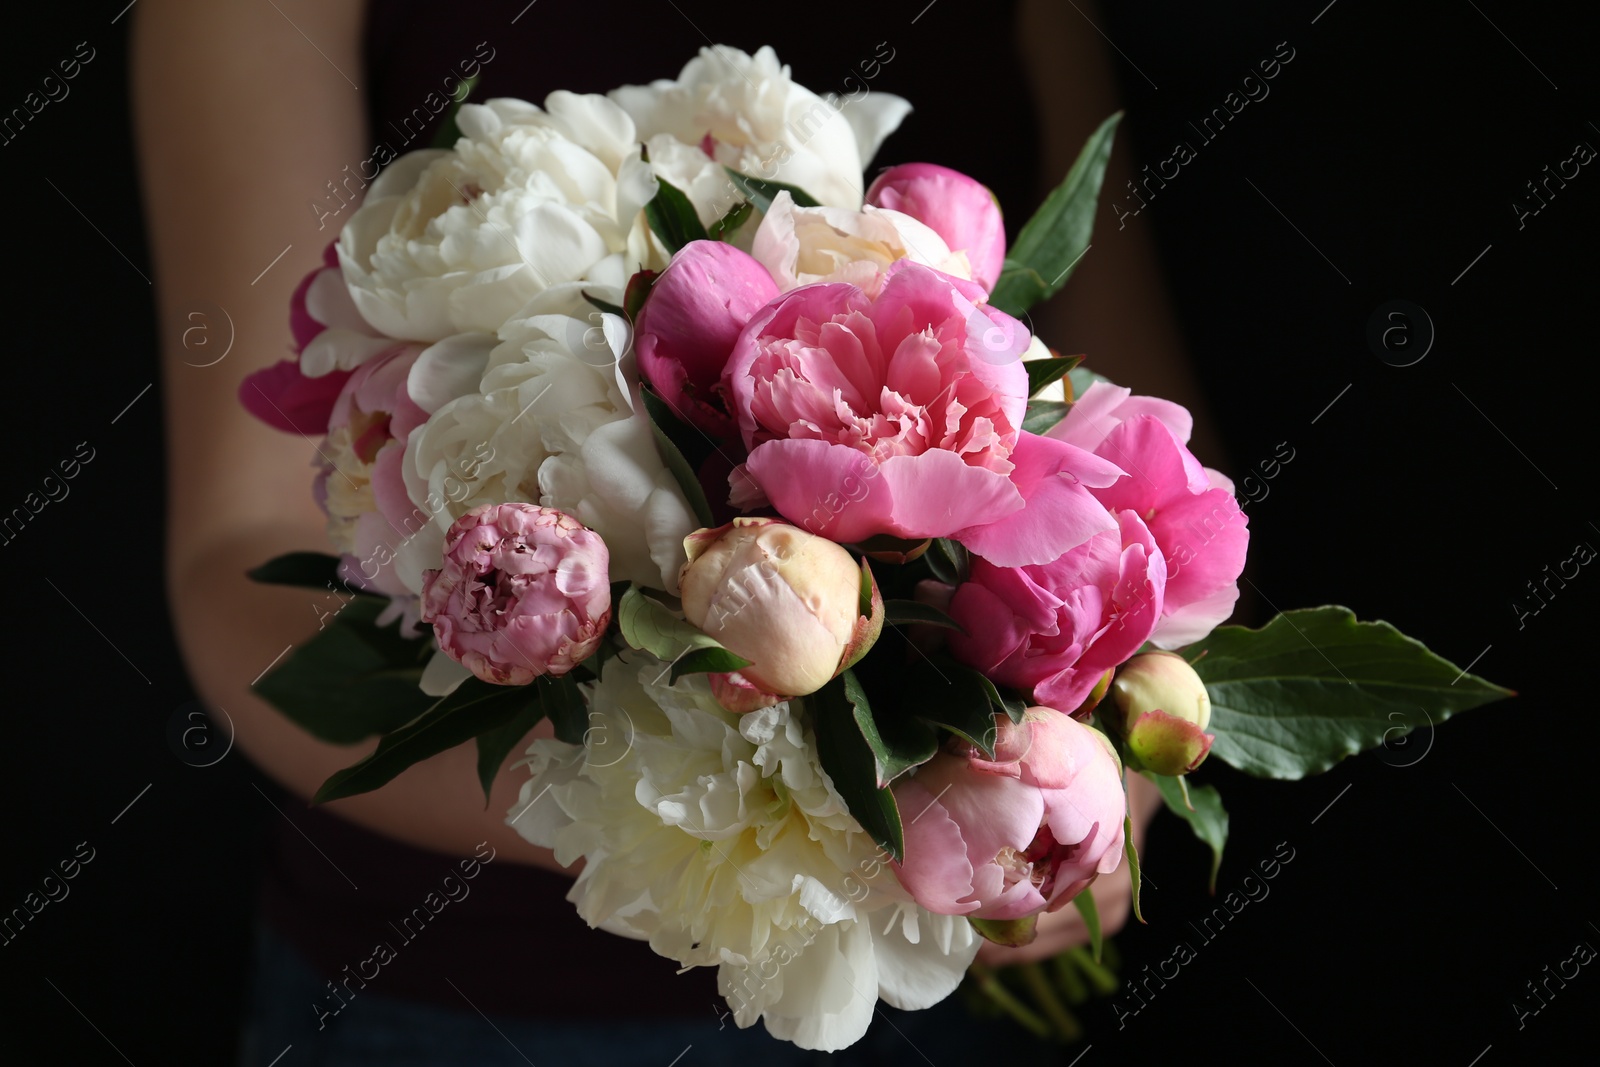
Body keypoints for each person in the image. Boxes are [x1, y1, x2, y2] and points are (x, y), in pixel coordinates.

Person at [133, 1, 1191, 1061]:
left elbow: (1142, 454)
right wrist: (693, 800)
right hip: (467, 1001)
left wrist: (1097, 782)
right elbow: (237, 569)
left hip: (952, 992)